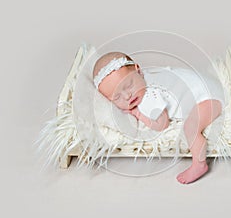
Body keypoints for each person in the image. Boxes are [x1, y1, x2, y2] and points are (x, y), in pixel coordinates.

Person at [93, 52, 224, 184]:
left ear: (138, 71)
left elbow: (162, 124)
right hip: (208, 86)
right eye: (117, 97)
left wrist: (138, 114)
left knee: (191, 128)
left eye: (128, 86)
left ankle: (199, 164)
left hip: (209, 98)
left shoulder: (148, 96)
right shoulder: (145, 76)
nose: (127, 96)